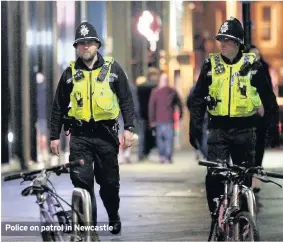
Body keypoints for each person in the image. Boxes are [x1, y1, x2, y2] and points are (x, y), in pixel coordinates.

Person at [189, 17, 280, 228]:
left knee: (244, 175)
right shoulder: (210, 66)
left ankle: (243, 217)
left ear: (238, 43)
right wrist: (194, 127)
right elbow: (198, 99)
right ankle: (216, 215)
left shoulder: (253, 67)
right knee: (214, 176)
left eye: (227, 40)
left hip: (245, 130)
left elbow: (269, 100)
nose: (222, 43)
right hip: (218, 130)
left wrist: (272, 128)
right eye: (220, 39)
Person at [49, 20, 135, 237]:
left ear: (97, 45)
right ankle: (90, 230)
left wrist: (129, 128)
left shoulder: (112, 69)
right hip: (79, 137)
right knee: (82, 183)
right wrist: (54, 136)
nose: (85, 47)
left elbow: (126, 99)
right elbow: (58, 106)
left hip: (106, 136)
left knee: (108, 184)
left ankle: (113, 214)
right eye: (81, 43)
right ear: (77, 48)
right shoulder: (69, 73)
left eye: (89, 43)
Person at [248, 45, 274, 193]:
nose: (255, 57)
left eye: (257, 55)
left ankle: (255, 178)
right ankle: (250, 177)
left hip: (260, 116)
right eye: (252, 55)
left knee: (258, 148)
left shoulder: (263, 70)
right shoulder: (243, 70)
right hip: (247, 115)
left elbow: (268, 93)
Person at [148, 72, 183, 163]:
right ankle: (166, 156)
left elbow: (151, 107)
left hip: (165, 119)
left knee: (164, 139)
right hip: (164, 119)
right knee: (167, 139)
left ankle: (165, 156)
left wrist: (152, 120)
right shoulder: (170, 91)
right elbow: (179, 104)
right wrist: (152, 120)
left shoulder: (157, 92)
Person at [136, 67, 160, 161]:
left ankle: (142, 153)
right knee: (155, 134)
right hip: (154, 115)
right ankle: (155, 152)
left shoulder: (140, 87)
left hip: (142, 114)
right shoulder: (157, 87)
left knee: (142, 134)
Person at [187, 82, 208, 160]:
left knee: (198, 134)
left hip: (198, 114)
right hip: (207, 114)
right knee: (205, 134)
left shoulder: (194, 88)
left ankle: (199, 150)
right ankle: (205, 153)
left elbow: (189, 101)